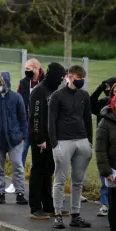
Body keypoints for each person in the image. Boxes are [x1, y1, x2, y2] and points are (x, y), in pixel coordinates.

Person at [48, 65, 93, 229]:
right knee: (60, 180)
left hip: (82, 140)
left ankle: (76, 215)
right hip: (63, 141)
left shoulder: (84, 95)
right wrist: (54, 144)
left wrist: (89, 142)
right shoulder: (57, 96)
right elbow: (51, 121)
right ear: (70, 77)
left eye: (82, 78)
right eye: (78, 78)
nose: (80, 81)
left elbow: (87, 118)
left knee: (77, 181)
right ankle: (58, 215)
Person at [28, 62, 68, 219]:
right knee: (38, 172)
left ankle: (49, 206)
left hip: (52, 139)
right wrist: (40, 139)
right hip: (40, 139)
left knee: (48, 172)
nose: (61, 81)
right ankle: (35, 207)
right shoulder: (39, 92)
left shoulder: (54, 90)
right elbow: (35, 117)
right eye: (59, 77)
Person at [0, 71, 28, 205]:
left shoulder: (17, 98)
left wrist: (23, 136)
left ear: (5, 82)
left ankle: (20, 192)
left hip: (15, 139)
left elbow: (23, 118)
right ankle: (1, 193)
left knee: (17, 166)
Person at [90, 77, 116, 217]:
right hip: (106, 147)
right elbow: (91, 105)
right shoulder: (105, 106)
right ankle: (104, 204)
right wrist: (99, 89)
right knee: (107, 179)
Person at [96, 93, 116, 231]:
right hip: (115, 171)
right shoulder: (105, 123)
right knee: (115, 204)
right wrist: (106, 171)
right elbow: (101, 149)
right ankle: (114, 230)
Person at [17, 58, 45, 172]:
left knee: (39, 156)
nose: (26, 71)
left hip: (40, 126)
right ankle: (17, 182)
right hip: (25, 124)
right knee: (21, 152)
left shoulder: (45, 82)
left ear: (36, 68)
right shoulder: (23, 83)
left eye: (28, 69)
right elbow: (18, 101)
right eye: (25, 69)